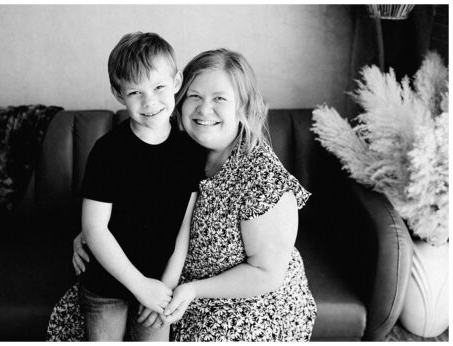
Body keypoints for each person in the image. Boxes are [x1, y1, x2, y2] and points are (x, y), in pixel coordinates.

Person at [163, 48, 316, 341]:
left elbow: (265, 273)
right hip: (178, 288)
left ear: (243, 107)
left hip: (248, 302)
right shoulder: (173, 145)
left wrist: (193, 291)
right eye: (194, 96)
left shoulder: (263, 178)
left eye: (219, 98)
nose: (204, 109)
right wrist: (94, 231)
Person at [69, 32, 204, 341]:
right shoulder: (108, 151)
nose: (150, 102)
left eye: (158, 87)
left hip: (159, 285)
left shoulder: (189, 151)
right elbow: (95, 230)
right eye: (135, 93)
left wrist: (165, 288)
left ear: (176, 81)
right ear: (119, 95)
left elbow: (185, 227)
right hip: (107, 283)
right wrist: (139, 285)